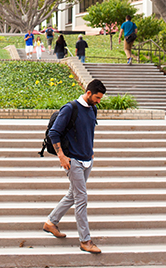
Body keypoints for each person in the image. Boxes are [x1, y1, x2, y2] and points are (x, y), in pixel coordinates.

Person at [43, 79, 106, 254]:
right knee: (81, 199)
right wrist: (61, 156)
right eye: (97, 97)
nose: (99, 101)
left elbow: (89, 131)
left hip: (87, 159)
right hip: (73, 161)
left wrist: (90, 151)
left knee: (73, 194)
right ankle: (85, 240)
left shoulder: (92, 109)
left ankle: (51, 222)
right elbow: (54, 133)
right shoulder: (70, 108)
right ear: (88, 93)